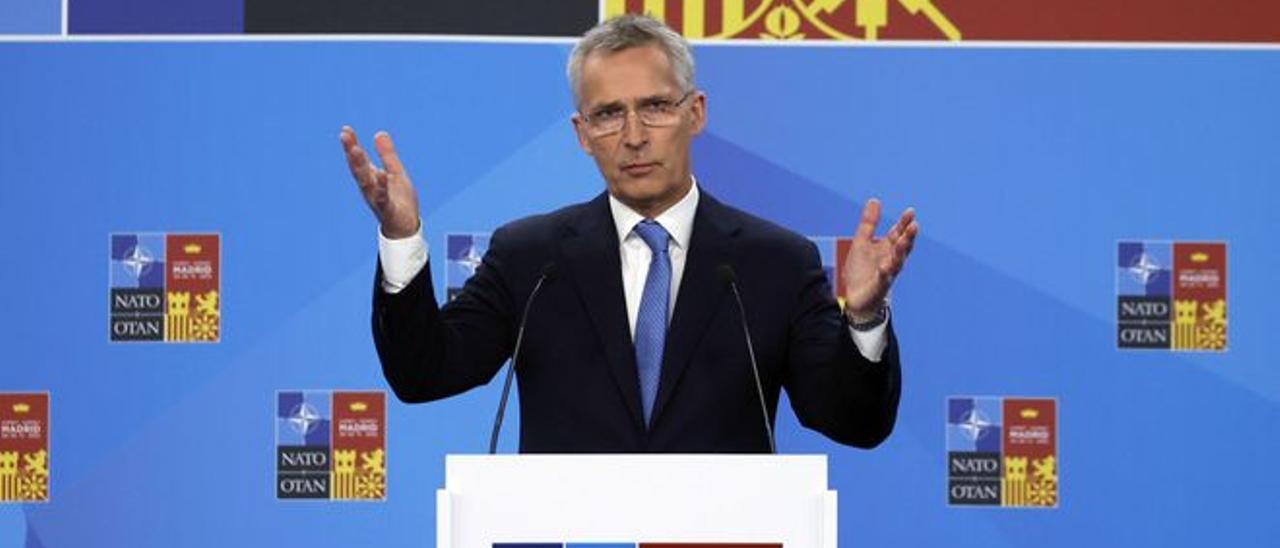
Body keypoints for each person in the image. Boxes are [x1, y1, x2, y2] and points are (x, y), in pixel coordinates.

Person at [339, 14, 918, 453]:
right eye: (609, 114)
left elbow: (854, 422)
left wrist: (863, 319)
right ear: (582, 133)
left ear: (696, 113)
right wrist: (402, 237)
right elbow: (425, 373)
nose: (634, 135)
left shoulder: (776, 263)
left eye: (656, 107)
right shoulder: (530, 258)